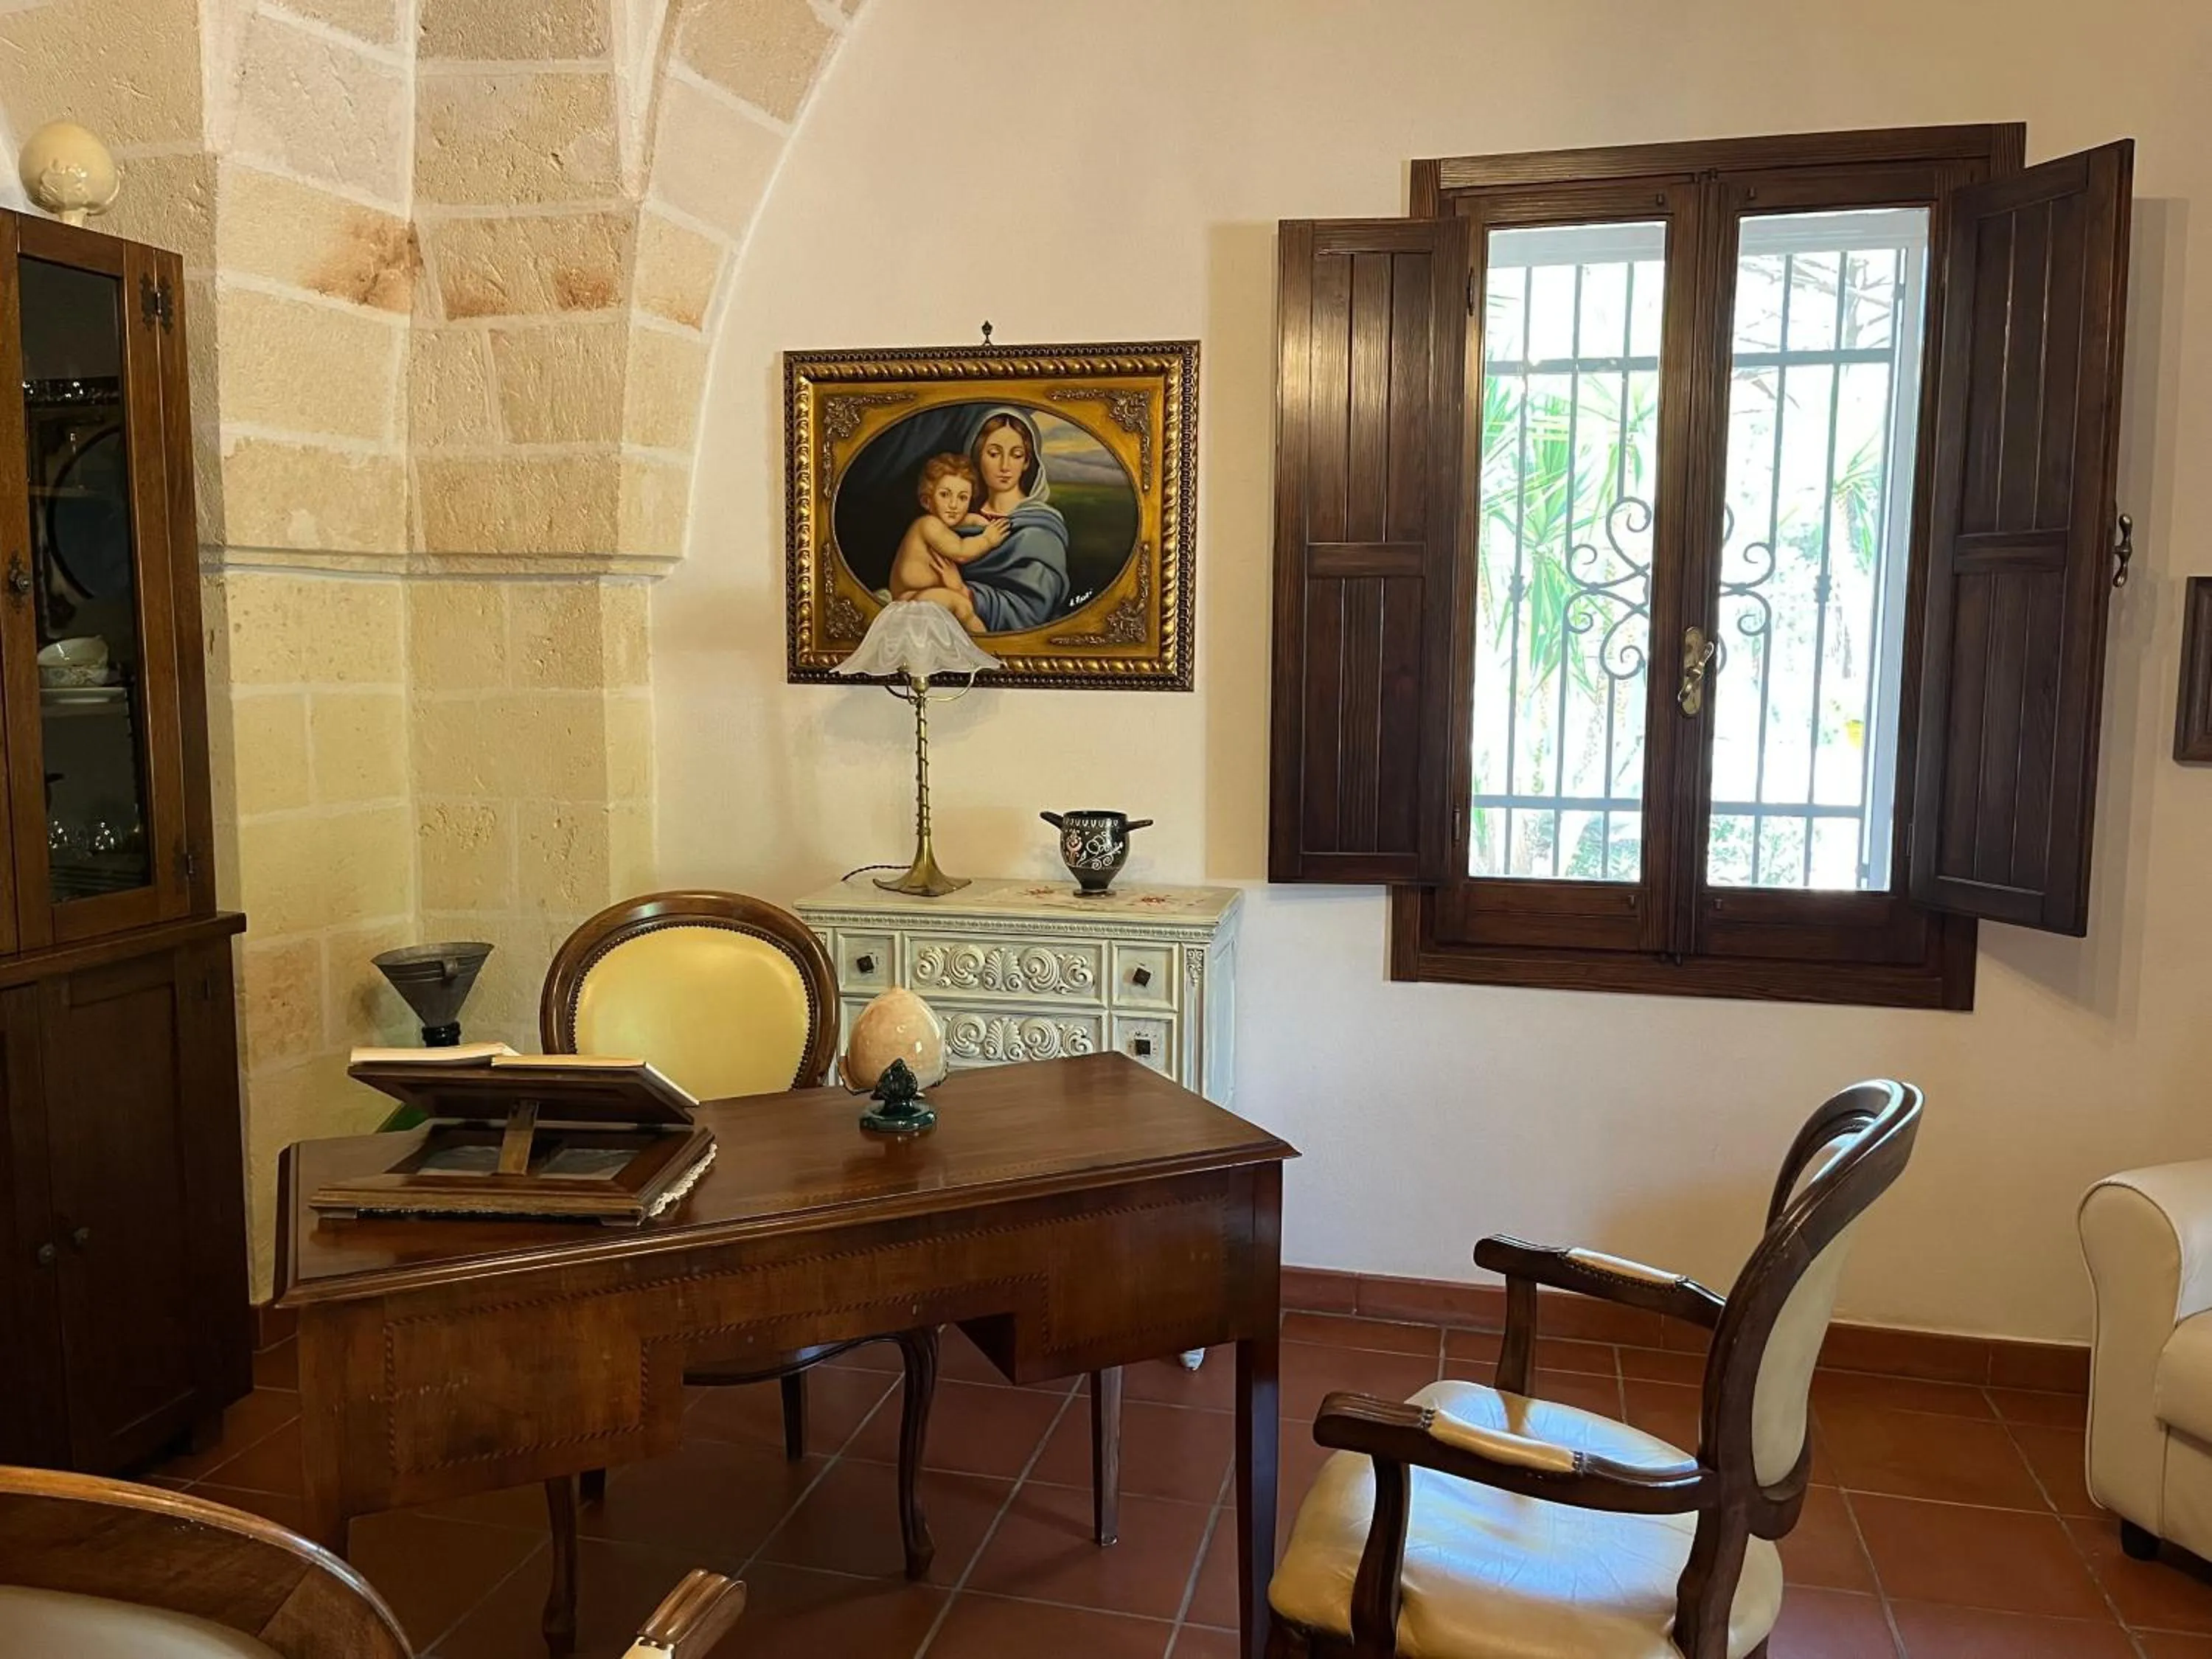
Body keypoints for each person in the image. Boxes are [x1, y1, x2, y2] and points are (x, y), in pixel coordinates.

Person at [887, 453, 1007, 633]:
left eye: (963, 498)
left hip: (924, 596)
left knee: (960, 605)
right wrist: (987, 540)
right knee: (961, 606)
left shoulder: (939, 523)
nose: (954, 505)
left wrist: (974, 520)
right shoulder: (928, 524)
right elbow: (960, 551)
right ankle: (987, 645)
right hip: (912, 599)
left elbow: (960, 520)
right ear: (927, 501)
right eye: (945, 495)